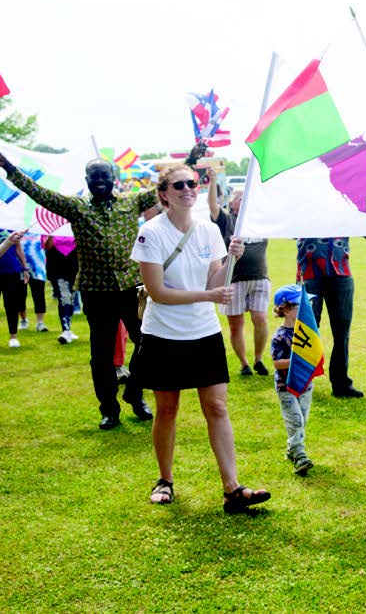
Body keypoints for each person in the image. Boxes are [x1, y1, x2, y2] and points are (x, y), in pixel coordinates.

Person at [132, 164, 271, 514]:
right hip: (163, 334)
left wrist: (232, 259)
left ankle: (232, 489)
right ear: (164, 193)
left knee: (218, 407)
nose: (188, 189)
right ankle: (165, 480)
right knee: (167, 409)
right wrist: (208, 297)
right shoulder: (151, 233)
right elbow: (158, 292)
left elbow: (214, 282)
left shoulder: (208, 230)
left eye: (192, 183)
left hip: (203, 333)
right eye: (179, 185)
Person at [0, 149, 154, 429]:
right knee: (101, 354)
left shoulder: (132, 203)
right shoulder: (76, 207)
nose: (100, 181)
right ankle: (109, 409)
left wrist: (194, 160)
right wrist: (9, 167)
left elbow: (165, 185)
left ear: (114, 178)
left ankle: (134, 393)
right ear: (87, 180)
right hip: (96, 292)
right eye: (95, 177)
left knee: (148, 343)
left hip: (130, 289)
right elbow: (40, 194)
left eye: (105, 176)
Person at [209, 181, 270, 377]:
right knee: (236, 324)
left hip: (259, 277)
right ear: (232, 204)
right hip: (234, 279)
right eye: (239, 198)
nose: (244, 201)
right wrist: (212, 180)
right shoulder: (227, 221)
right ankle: (244, 363)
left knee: (260, 318)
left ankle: (259, 359)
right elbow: (212, 206)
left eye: (246, 198)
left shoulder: (260, 220)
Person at [296, 237, 362, 398]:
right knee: (306, 331)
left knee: (342, 334)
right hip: (309, 273)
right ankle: (300, 382)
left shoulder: (346, 211)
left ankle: (340, 384)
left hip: (341, 273)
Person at [270, 284, 315, 476]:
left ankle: (291, 448)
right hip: (286, 386)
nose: (307, 310)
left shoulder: (305, 331)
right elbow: (277, 363)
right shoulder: (280, 336)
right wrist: (297, 361)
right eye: (301, 307)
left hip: (305, 384)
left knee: (302, 419)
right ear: (286, 310)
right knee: (295, 420)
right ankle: (300, 455)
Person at [0, 227, 27, 348]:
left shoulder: (9, 226)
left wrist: (25, 267)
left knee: (12, 305)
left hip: (11, 271)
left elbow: (18, 248)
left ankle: (13, 336)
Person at [45, 236, 80, 344]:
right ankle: (65, 330)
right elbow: (47, 245)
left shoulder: (74, 228)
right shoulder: (51, 228)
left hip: (74, 270)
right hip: (58, 271)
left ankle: (68, 329)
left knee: (70, 300)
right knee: (64, 299)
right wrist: (51, 235)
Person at [17, 232, 49, 332]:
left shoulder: (41, 230)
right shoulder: (16, 229)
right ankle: (23, 320)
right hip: (19, 267)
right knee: (20, 295)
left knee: (39, 295)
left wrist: (50, 236)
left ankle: (40, 322)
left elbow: (48, 246)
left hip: (37, 268)